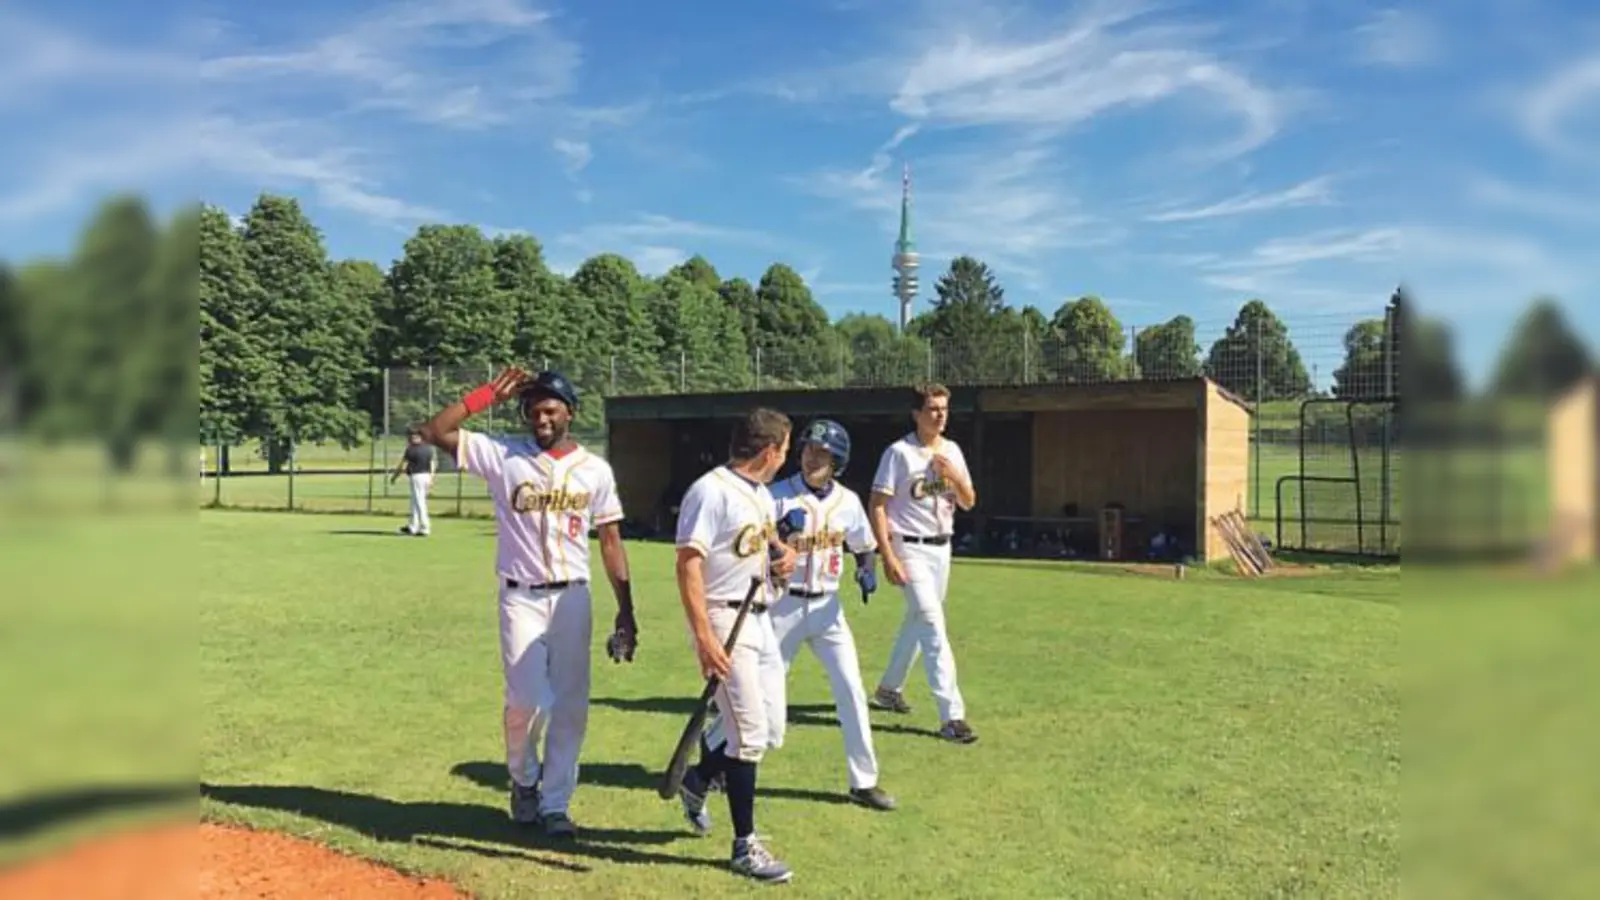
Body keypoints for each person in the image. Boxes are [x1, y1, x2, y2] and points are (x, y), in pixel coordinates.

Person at [415, 367, 639, 839]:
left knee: (571, 707)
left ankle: (555, 804)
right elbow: (436, 431)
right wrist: (484, 397)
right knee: (526, 701)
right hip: (521, 595)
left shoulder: (595, 469)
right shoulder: (504, 455)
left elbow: (612, 540)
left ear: (570, 414)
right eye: (534, 409)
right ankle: (523, 780)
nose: (541, 417)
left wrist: (626, 609)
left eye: (551, 409)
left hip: (574, 596)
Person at [672, 407, 799, 884]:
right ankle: (745, 845)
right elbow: (688, 565)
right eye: (785, 449)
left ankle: (699, 776)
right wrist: (704, 636)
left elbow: (762, 551)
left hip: (761, 614)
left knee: (769, 730)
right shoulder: (711, 491)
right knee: (747, 735)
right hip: (724, 617)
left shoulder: (761, 497)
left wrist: (781, 559)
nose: (785, 457)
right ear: (769, 450)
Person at [766, 418, 897, 811]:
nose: (812, 458)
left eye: (822, 454)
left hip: (828, 608)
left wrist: (867, 569)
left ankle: (864, 781)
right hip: (783, 605)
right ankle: (719, 760)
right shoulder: (775, 496)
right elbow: (748, 547)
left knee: (852, 690)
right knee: (762, 692)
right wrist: (776, 543)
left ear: (837, 460)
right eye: (808, 450)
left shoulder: (848, 502)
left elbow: (864, 544)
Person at [868, 382, 979, 744]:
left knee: (918, 622)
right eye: (932, 408)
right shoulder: (898, 454)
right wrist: (887, 554)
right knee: (933, 626)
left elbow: (968, 501)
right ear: (916, 414)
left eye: (944, 408)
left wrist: (954, 476)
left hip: (941, 548)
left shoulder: (953, 451)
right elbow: (878, 506)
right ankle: (952, 716)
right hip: (909, 547)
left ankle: (888, 689)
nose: (940, 415)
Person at [390, 430, 435, 536]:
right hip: (426, 476)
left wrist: (394, 477)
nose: (410, 439)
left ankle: (425, 527)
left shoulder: (411, 450)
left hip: (417, 476)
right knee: (415, 501)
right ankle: (413, 527)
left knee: (420, 502)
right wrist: (432, 477)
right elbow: (432, 464)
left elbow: (402, 465)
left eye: (412, 437)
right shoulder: (428, 449)